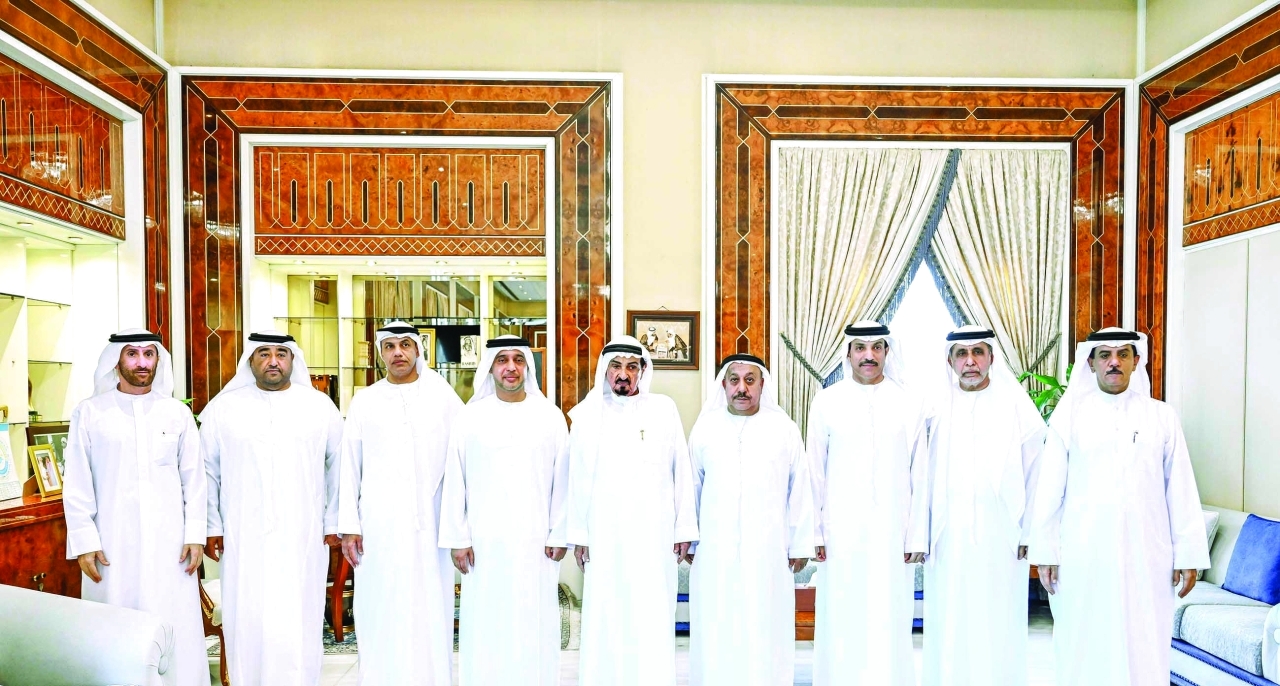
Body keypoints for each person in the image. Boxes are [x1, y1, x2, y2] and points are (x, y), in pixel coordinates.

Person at [1030, 328, 1209, 686]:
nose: (1114, 362)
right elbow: (1050, 490)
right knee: (1084, 637)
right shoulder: (1069, 417)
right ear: (1091, 363)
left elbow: (1180, 488)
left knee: (1145, 639)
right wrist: (1046, 552)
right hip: (1083, 555)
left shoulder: (1161, 417)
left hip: (1147, 554)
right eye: (1105, 355)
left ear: (1136, 361)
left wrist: (1188, 554)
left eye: (1123, 354)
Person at [61, 329, 209, 686]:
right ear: (116, 360)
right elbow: (77, 484)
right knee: (114, 627)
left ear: (158, 359)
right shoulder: (90, 413)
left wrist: (195, 535)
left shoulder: (176, 414)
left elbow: (194, 480)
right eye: (132, 354)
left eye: (148, 354)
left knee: (174, 625)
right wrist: (84, 542)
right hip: (111, 547)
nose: (142, 363)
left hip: (171, 548)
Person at [201, 331, 343, 686]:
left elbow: (340, 468)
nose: (273, 361)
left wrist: (334, 522)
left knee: (299, 616)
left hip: (303, 535)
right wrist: (212, 526)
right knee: (247, 616)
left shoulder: (319, 407)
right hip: (243, 535)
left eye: (281, 353)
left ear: (293, 359)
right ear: (250, 360)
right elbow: (206, 472)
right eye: (263, 353)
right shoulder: (223, 409)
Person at [566, 336, 698, 686]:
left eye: (631, 366)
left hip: (655, 536)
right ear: (605, 370)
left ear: (642, 370)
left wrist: (684, 530)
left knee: (651, 614)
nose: (623, 374)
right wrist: (579, 536)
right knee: (606, 615)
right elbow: (576, 479)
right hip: (604, 535)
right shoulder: (586, 416)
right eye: (616, 366)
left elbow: (681, 470)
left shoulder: (663, 409)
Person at [337, 321, 463, 686]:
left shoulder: (443, 398)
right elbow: (350, 466)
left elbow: (461, 463)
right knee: (381, 607)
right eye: (390, 346)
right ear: (381, 354)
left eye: (405, 345)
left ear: (418, 349)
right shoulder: (365, 401)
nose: (398, 353)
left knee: (430, 608)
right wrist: (349, 527)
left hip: (431, 526)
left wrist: (459, 524)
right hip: (378, 527)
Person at [439, 335, 570, 686]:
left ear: (527, 366)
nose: (510, 367)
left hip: (536, 543)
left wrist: (559, 533)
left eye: (517, 359)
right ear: (490, 368)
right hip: (484, 544)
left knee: (534, 622)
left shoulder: (550, 417)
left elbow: (563, 481)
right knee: (487, 623)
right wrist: (458, 538)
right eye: (502, 360)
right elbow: (456, 480)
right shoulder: (469, 418)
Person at [921, 326, 1046, 686]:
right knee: (950, 621)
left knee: (998, 622)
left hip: (1002, 538)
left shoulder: (1017, 408)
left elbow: (1036, 474)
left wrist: (1029, 532)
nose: (971, 361)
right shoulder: (933, 410)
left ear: (991, 357)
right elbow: (918, 476)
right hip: (947, 537)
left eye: (978, 352)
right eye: (962, 353)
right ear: (950, 361)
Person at [807, 320, 930, 686]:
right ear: (848, 353)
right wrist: (814, 532)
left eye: (877, 347)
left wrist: (916, 536)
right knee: (842, 614)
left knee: (889, 615)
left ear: (887, 352)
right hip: (840, 533)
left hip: (894, 532)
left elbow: (920, 473)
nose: (868, 355)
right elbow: (815, 471)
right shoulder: (827, 401)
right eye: (860, 348)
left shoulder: (908, 402)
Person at [687, 354, 814, 686]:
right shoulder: (705, 428)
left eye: (749, 380)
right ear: (724, 385)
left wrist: (800, 543)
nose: (741, 388)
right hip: (715, 552)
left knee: (765, 625)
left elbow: (800, 488)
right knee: (717, 624)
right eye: (734, 380)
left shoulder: (784, 429)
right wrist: (690, 539)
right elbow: (691, 488)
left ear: (762, 385)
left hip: (769, 551)